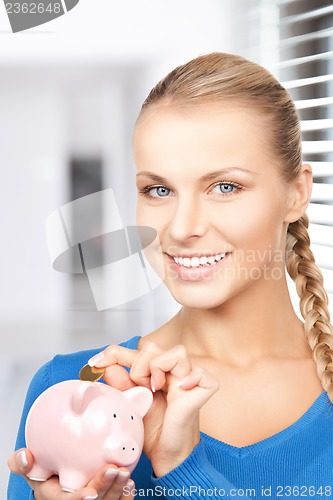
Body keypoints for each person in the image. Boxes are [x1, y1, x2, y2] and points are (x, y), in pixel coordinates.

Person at [8, 52, 333, 500]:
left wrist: (183, 471)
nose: (181, 228)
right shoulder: (73, 390)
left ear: (296, 194)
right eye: (158, 190)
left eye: (225, 187)